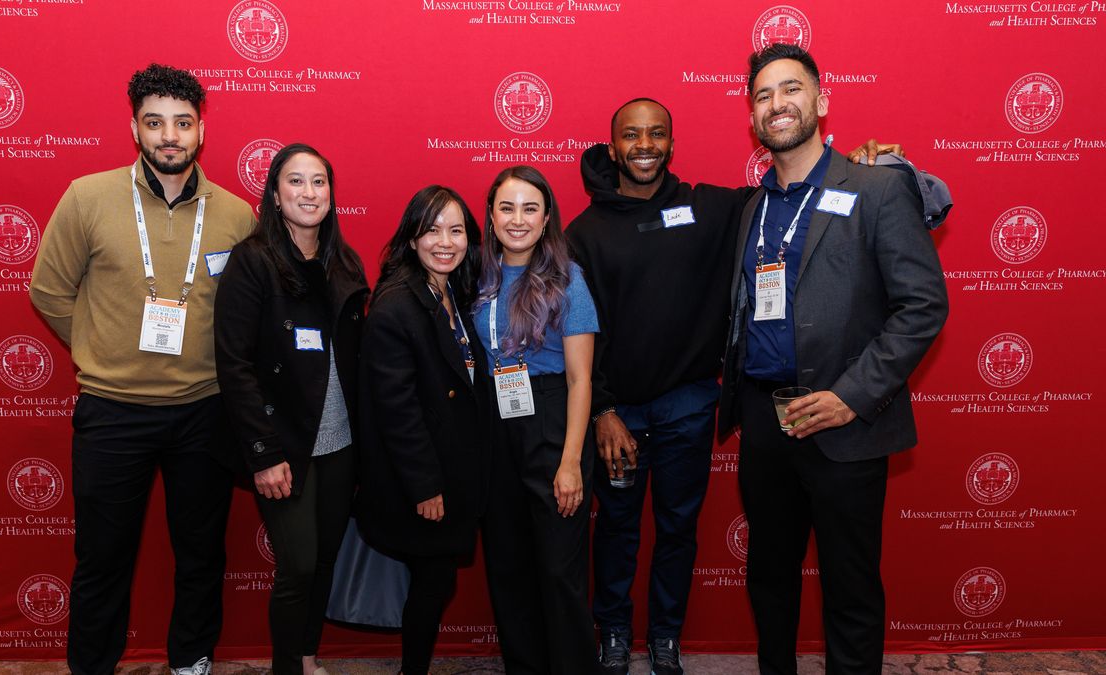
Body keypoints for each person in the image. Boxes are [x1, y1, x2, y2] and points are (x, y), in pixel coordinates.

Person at [567, 99, 902, 675]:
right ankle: (616, 632)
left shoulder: (713, 207)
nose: (644, 145)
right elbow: (579, 332)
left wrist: (865, 164)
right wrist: (601, 409)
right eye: (631, 135)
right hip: (618, 414)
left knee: (677, 530)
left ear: (672, 144)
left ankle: (665, 636)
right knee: (616, 532)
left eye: (657, 135)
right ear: (612, 144)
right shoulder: (583, 232)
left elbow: (795, 200)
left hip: (688, 409)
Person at [717, 44, 948, 675]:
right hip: (767, 423)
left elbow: (923, 305)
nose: (777, 104)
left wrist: (851, 395)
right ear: (752, 117)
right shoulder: (751, 208)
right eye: (763, 95)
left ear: (820, 102)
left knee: (850, 589)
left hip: (844, 422)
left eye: (791, 90)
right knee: (769, 581)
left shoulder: (875, 187)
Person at [29, 64, 256, 675]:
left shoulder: (237, 216)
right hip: (112, 412)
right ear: (134, 128)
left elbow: (248, 316)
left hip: (204, 410)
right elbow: (49, 291)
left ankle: (191, 661)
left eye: (182, 123)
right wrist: (99, 351)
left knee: (202, 553)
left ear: (201, 131)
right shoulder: (88, 197)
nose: (169, 136)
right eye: (155, 123)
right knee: (102, 558)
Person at [214, 144, 368, 675]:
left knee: (324, 559)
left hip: (340, 442)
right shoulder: (252, 261)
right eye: (296, 182)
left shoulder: (344, 262)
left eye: (319, 182)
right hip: (284, 445)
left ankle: (305, 658)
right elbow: (233, 364)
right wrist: (263, 452)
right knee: (298, 565)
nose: (309, 193)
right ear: (275, 196)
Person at [355, 186, 491, 675]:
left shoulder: (452, 289)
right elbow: (396, 410)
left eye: (456, 230)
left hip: (454, 469)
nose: (444, 242)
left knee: (436, 582)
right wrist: (425, 485)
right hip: (422, 480)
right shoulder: (396, 305)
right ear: (411, 237)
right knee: (433, 583)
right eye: (431, 230)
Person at [473, 166, 598, 674]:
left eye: (530, 208)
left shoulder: (568, 278)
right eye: (507, 208)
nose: (518, 219)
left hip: (551, 421)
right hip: (495, 425)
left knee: (557, 570)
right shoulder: (473, 275)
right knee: (508, 565)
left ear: (547, 217)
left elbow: (580, 380)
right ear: (491, 216)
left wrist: (570, 463)